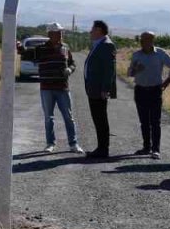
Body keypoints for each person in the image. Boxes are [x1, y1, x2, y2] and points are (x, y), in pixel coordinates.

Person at [17, 23, 83, 154]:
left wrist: (70, 69)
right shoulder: (41, 49)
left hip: (63, 88)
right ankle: (50, 144)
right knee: (49, 117)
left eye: (61, 32)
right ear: (50, 34)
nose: (60, 35)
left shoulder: (65, 47)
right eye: (57, 32)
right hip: (46, 88)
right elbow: (26, 53)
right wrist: (19, 47)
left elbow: (72, 63)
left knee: (68, 117)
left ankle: (73, 144)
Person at [127, 31, 170, 159]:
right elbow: (129, 73)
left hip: (155, 91)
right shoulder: (136, 55)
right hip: (140, 90)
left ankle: (156, 149)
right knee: (144, 121)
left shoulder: (160, 53)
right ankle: (146, 147)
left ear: (152, 40)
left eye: (146, 39)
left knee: (155, 121)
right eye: (142, 39)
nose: (142, 42)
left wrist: (167, 82)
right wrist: (135, 70)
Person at [82, 20, 117, 159]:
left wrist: (105, 89)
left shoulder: (107, 45)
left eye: (92, 29)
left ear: (99, 30)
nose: (90, 32)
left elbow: (109, 70)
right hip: (94, 89)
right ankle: (101, 148)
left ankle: (103, 149)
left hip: (99, 90)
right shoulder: (99, 44)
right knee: (98, 119)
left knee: (101, 119)